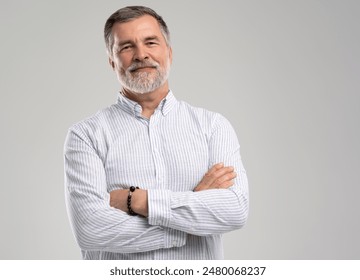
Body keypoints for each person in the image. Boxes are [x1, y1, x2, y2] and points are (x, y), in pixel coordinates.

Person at [64, 6, 249, 260]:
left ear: (169, 53)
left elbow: (235, 210)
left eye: (150, 42)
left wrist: (136, 200)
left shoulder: (213, 127)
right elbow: (90, 229)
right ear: (112, 62)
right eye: (126, 47)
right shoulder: (86, 136)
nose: (141, 55)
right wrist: (190, 217)